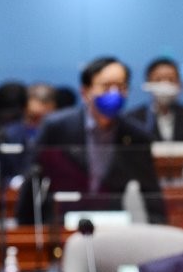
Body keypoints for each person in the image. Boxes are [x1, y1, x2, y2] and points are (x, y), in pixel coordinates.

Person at [14, 56, 166, 225]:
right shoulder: (56, 127)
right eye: (106, 86)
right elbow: (32, 180)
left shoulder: (137, 135)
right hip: (60, 223)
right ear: (85, 92)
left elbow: (150, 194)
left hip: (111, 224)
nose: (114, 93)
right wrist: (25, 231)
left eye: (121, 87)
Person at [125, 57, 183, 145]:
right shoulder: (133, 119)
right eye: (158, 80)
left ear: (179, 84)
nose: (164, 85)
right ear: (148, 83)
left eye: (171, 80)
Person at [0, 83, 57, 185]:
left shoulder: (61, 135)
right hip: (13, 193)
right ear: (25, 106)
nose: (39, 124)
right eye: (34, 117)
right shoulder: (6, 134)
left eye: (46, 120)